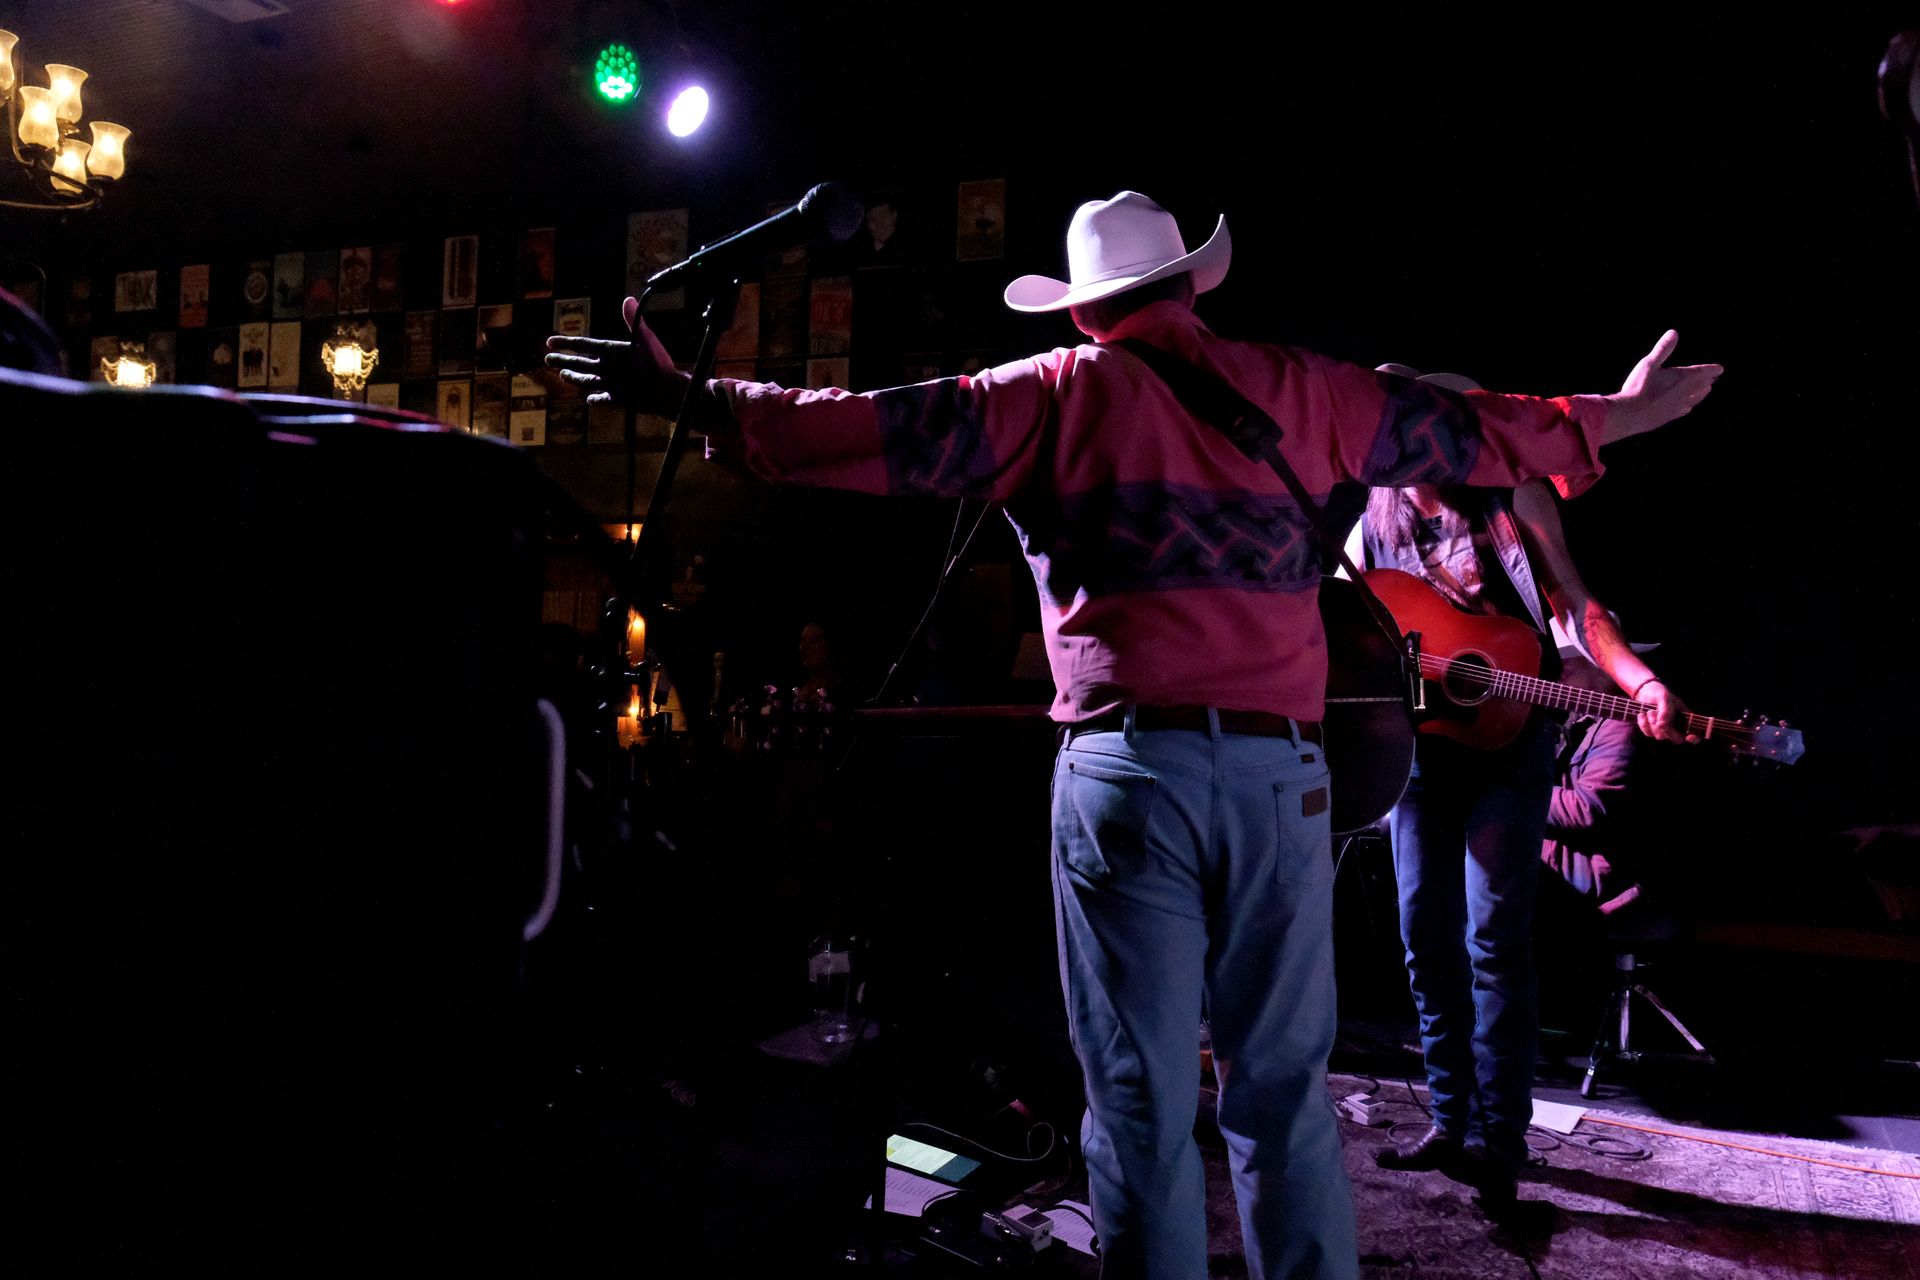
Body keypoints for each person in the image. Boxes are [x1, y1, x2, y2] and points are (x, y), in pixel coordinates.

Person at [547, 191, 1722, 1279]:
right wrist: (1614, 415)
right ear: (1190, 290)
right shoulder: (1299, 387)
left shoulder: (1052, 395)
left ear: (1088, 307)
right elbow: (1469, 431)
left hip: (1128, 773)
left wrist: (694, 398)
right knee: (1284, 1089)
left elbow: (862, 430)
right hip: (1282, 778)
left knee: (1140, 1098)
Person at [1352, 376, 1697, 1229]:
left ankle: (1501, 1140)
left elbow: (1580, 605)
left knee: (1492, 941)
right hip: (1421, 755)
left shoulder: (1514, 495)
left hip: (1512, 746)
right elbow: (1351, 628)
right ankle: (1447, 1119)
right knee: (1421, 934)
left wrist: (1643, 681)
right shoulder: (1372, 516)